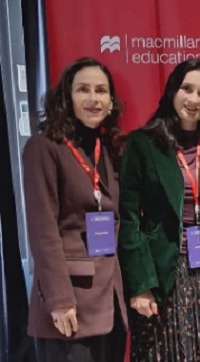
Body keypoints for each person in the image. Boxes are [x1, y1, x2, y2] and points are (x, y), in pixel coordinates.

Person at [118, 59, 200, 362]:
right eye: (187, 89)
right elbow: (128, 219)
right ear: (173, 91)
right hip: (163, 276)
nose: (194, 99)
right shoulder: (142, 144)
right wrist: (140, 286)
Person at [23, 57, 128, 362]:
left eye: (101, 91)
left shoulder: (108, 150)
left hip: (109, 302)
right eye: (83, 89)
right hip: (69, 305)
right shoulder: (44, 148)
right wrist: (59, 300)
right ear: (67, 97)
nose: (93, 99)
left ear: (111, 102)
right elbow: (43, 232)